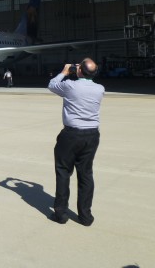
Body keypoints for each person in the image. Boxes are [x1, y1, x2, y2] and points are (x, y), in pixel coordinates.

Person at [47, 58, 104, 227]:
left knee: (63, 172)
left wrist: (64, 72)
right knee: (86, 174)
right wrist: (79, 71)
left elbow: (51, 85)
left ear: (79, 71)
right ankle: (85, 216)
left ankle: (61, 214)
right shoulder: (100, 89)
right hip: (92, 135)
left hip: (71, 135)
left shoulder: (70, 86)